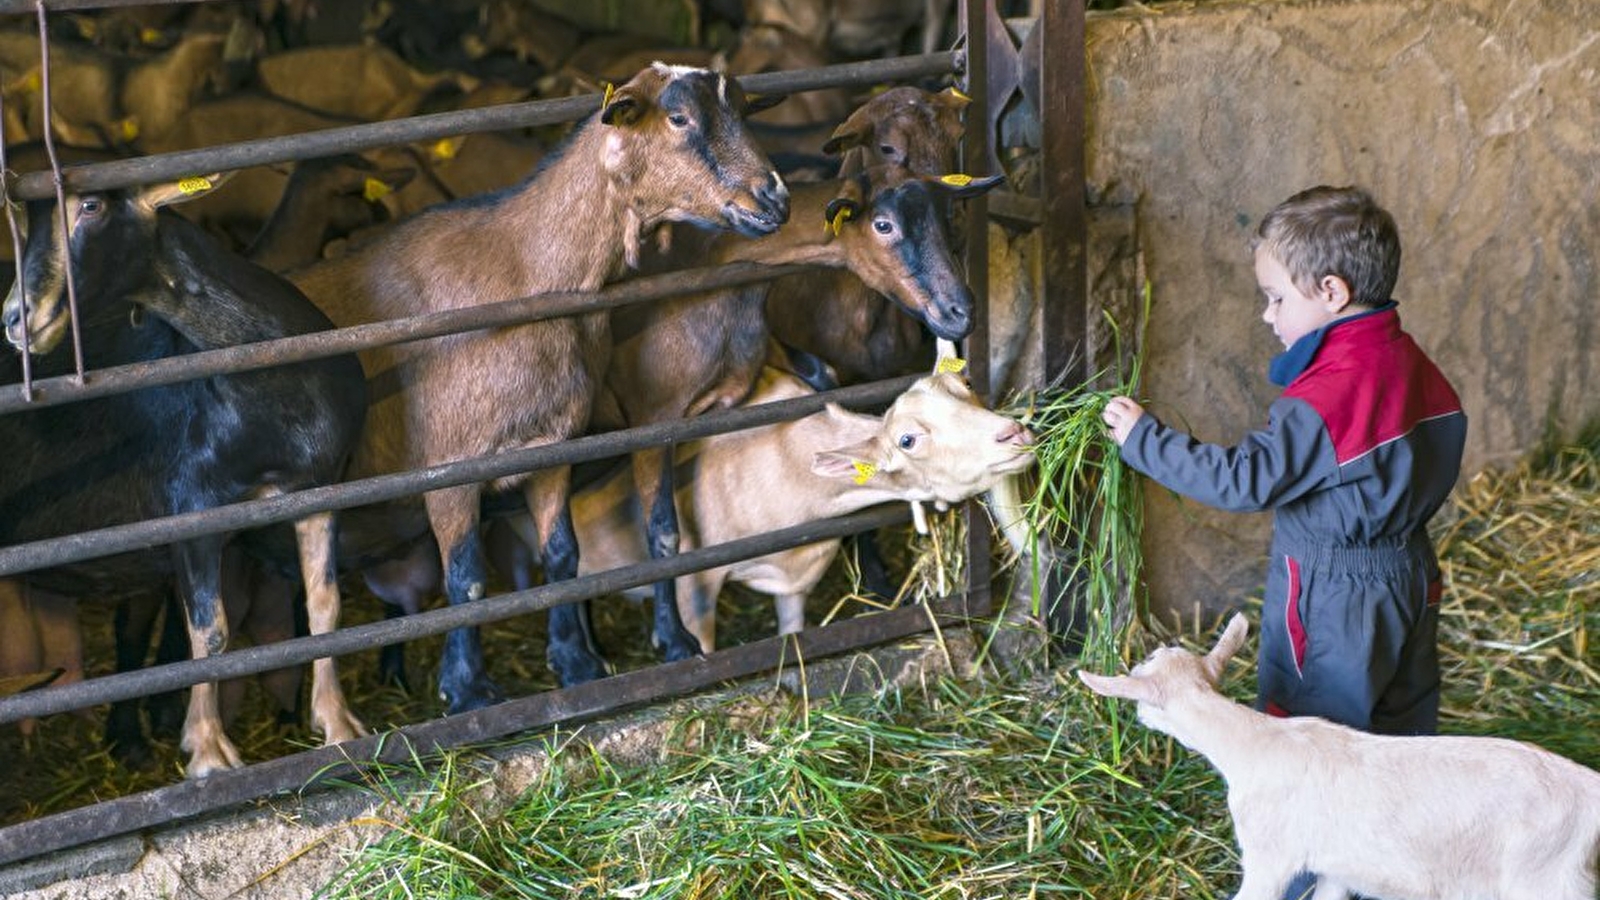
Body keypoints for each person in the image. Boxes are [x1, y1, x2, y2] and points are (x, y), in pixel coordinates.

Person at [1100, 185, 1466, 738]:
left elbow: (1245, 481)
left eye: (1276, 298)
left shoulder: (1322, 400)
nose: (1267, 315)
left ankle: (1325, 825)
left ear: (1331, 291)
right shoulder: (1407, 358)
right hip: (1410, 571)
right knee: (1401, 729)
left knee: (1315, 732)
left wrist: (1143, 440)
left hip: (1335, 593)